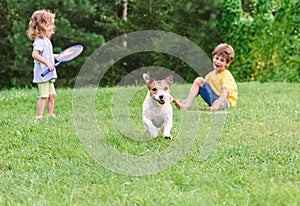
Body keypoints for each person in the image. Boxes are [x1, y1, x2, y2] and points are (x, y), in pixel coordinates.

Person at [175, 43, 238, 111]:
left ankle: (215, 106)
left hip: (225, 101)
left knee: (221, 104)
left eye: (222, 60)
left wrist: (217, 103)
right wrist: (187, 101)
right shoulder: (210, 75)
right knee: (199, 80)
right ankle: (186, 104)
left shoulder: (226, 75)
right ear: (213, 57)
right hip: (213, 99)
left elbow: (225, 92)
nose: (218, 62)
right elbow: (202, 87)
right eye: (216, 58)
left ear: (227, 63)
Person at [27, 10, 57, 119]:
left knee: (52, 95)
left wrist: (57, 56)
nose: (52, 26)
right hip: (43, 73)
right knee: (44, 96)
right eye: (50, 23)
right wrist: (47, 63)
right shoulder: (39, 41)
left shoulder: (47, 40)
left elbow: (47, 55)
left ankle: (49, 115)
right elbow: (35, 54)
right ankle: (39, 117)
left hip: (49, 73)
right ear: (42, 24)